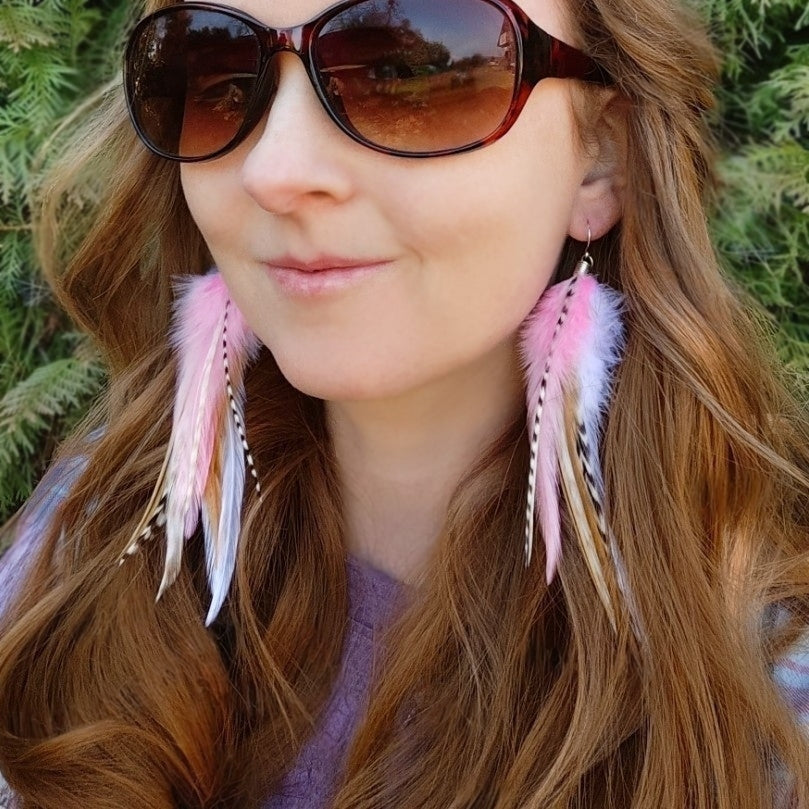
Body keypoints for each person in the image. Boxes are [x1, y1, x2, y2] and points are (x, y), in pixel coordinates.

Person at [0, 0, 808, 806]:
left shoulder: (763, 710)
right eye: (215, 74)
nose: (272, 172)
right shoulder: (98, 528)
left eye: (406, 72)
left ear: (602, 157)